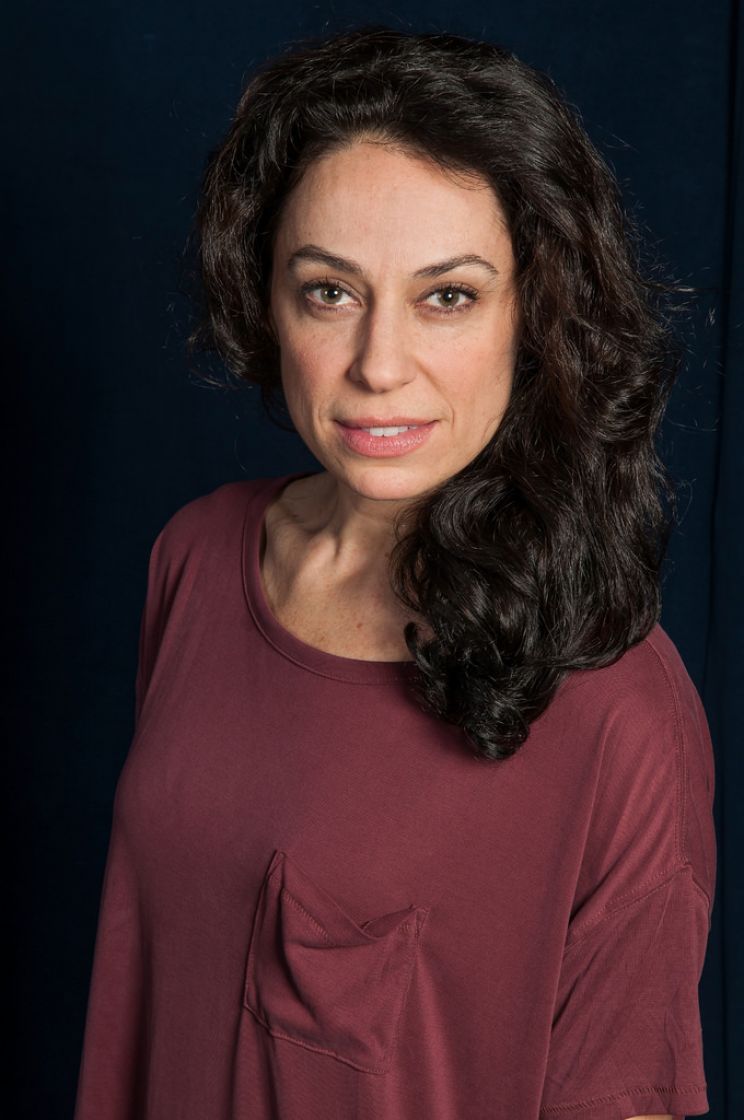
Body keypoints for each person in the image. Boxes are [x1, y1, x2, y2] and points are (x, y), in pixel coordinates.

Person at [73, 24, 717, 1120]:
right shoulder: (197, 557)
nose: (378, 365)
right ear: (267, 299)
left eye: (447, 296)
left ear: (534, 313)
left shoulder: (618, 705)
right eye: (330, 291)